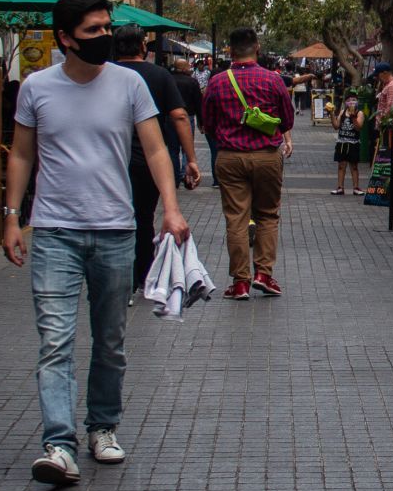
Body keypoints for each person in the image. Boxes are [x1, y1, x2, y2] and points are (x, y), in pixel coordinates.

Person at [4, 0, 190, 487]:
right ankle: (59, 444)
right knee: (55, 341)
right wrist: (9, 217)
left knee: (110, 341)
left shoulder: (129, 83)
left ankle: (102, 427)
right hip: (54, 232)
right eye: (93, 31)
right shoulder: (36, 88)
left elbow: (154, 149)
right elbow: (22, 155)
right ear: (65, 38)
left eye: (108, 27)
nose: (104, 36)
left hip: (115, 230)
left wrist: (170, 209)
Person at [201, 27, 295, 301]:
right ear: (257, 46)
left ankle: (240, 282)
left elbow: (207, 124)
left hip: (229, 157)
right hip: (266, 156)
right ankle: (263, 274)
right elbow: (287, 120)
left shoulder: (217, 82)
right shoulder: (273, 80)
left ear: (230, 50)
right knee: (267, 215)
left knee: (237, 219)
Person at [114, 26, 199, 295]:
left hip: (111, 160)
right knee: (143, 217)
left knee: (115, 218)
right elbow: (179, 116)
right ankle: (140, 273)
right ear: (142, 47)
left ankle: (120, 275)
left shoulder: (105, 74)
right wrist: (191, 158)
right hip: (146, 161)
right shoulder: (159, 75)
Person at [170, 57, 205, 181]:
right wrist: (201, 122)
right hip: (188, 116)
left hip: (170, 117)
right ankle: (186, 174)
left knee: (173, 149)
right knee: (187, 147)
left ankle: (175, 176)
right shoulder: (192, 81)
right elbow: (198, 102)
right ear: (184, 68)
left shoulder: (169, 80)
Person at [333, 94, 364, 194]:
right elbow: (336, 126)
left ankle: (356, 188)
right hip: (342, 142)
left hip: (353, 143)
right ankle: (340, 187)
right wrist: (331, 114)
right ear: (346, 102)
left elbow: (358, 127)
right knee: (341, 165)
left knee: (354, 166)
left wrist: (353, 117)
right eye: (349, 100)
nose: (351, 102)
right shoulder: (342, 112)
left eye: (354, 100)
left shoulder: (359, 113)